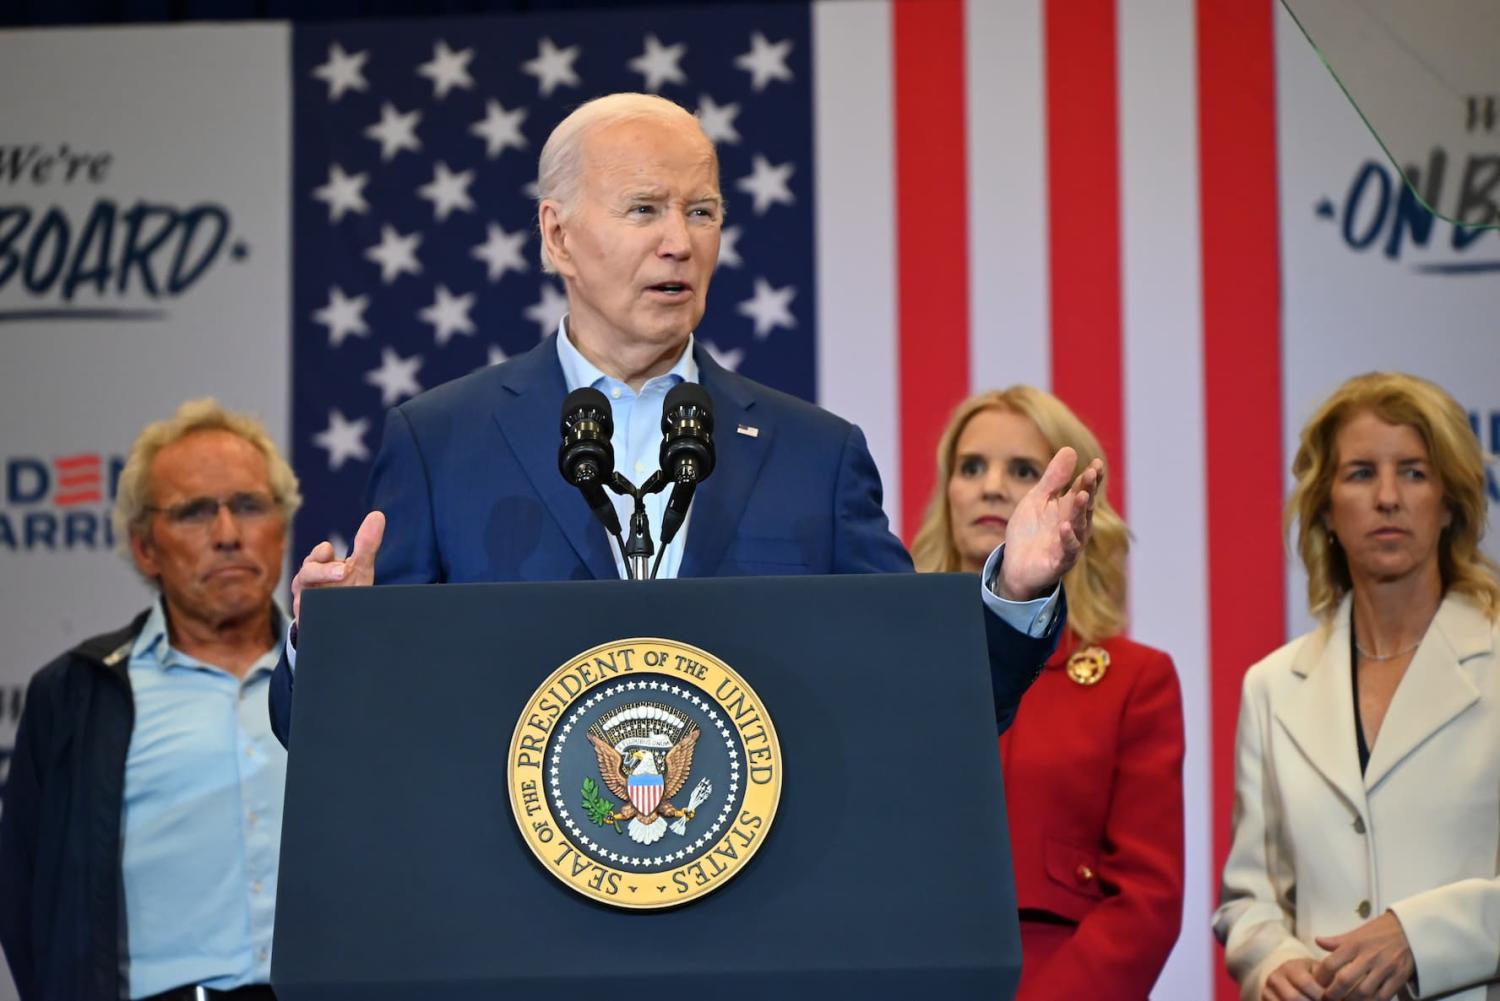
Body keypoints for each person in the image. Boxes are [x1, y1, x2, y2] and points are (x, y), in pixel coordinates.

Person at [269, 92, 1102, 745]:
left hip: (749, 924)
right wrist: (332, 645)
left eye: (701, 212)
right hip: (514, 928)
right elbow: (333, 730)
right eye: (645, 209)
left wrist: (1012, 594)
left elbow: (927, 692)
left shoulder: (814, 454)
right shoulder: (440, 441)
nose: (680, 241)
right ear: (557, 238)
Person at [1215, 372, 1500, 1001]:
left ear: (1450, 503)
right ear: (1325, 506)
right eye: (1362, 473)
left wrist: (1420, 936)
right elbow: (1250, 900)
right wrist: (1272, 964)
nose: (1389, 497)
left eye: (1415, 473)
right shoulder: (1271, 686)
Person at [0, 399, 296, 1001]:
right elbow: (30, 907)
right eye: (193, 512)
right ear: (144, 549)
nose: (227, 535)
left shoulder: (334, 673)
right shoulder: (76, 694)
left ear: (282, 529)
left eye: (247, 505)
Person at [912, 386, 1185, 998]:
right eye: (971, 466)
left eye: (1024, 471)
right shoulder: (894, 660)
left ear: (1075, 501)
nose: (992, 486)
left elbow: (1146, 902)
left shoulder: (1134, 681)